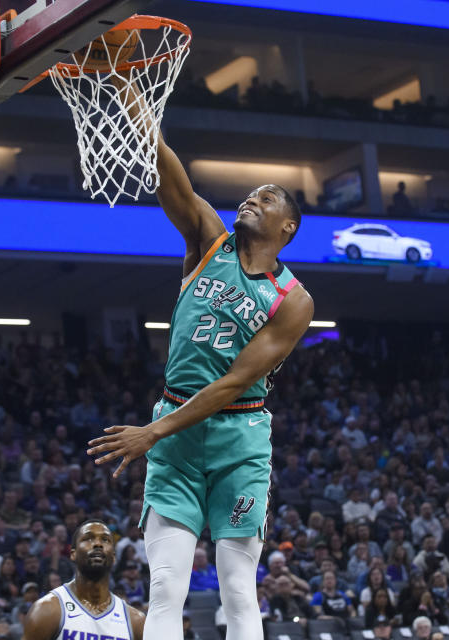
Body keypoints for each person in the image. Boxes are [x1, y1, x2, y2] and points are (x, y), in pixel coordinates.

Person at [87, 83, 313, 640]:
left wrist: (152, 432)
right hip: (176, 433)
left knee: (238, 588)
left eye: (265, 198)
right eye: (249, 194)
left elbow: (234, 382)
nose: (250, 200)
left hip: (238, 435)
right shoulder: (208, 242)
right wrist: (132, 95)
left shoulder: (295, 301)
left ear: (287, 227)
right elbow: (169, 170)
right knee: (166, 587)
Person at [23, 520, 145, 640]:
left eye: (105, 540)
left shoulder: (135, 621)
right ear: (73, 554)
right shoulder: (47, 609)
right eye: (88, 538)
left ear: (113, 557)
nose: (98, 544)